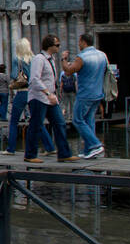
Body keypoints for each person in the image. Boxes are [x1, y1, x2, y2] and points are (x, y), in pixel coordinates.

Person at [24, 35, 77, 163]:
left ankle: (64, 153)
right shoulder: (39, 59)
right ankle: (30, 155)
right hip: (39, 98)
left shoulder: (51, 59)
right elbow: (34, 79)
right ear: (50, 46)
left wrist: (53, 94)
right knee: (36, 125)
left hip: (50, 98)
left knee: (60, 123)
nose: (59, 47)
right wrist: (48, 93)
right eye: (57, 45)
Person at [61, 33, 108, 159]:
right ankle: (88, 151)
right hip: (98, 93)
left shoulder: (81, 57)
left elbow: (68, 71)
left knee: (77, 120)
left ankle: (96, 145)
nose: (78, 44)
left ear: (83, 42)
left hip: (85, 94)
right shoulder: (102, 55)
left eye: (79, 42)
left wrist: (63, 59)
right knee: (89, 120)